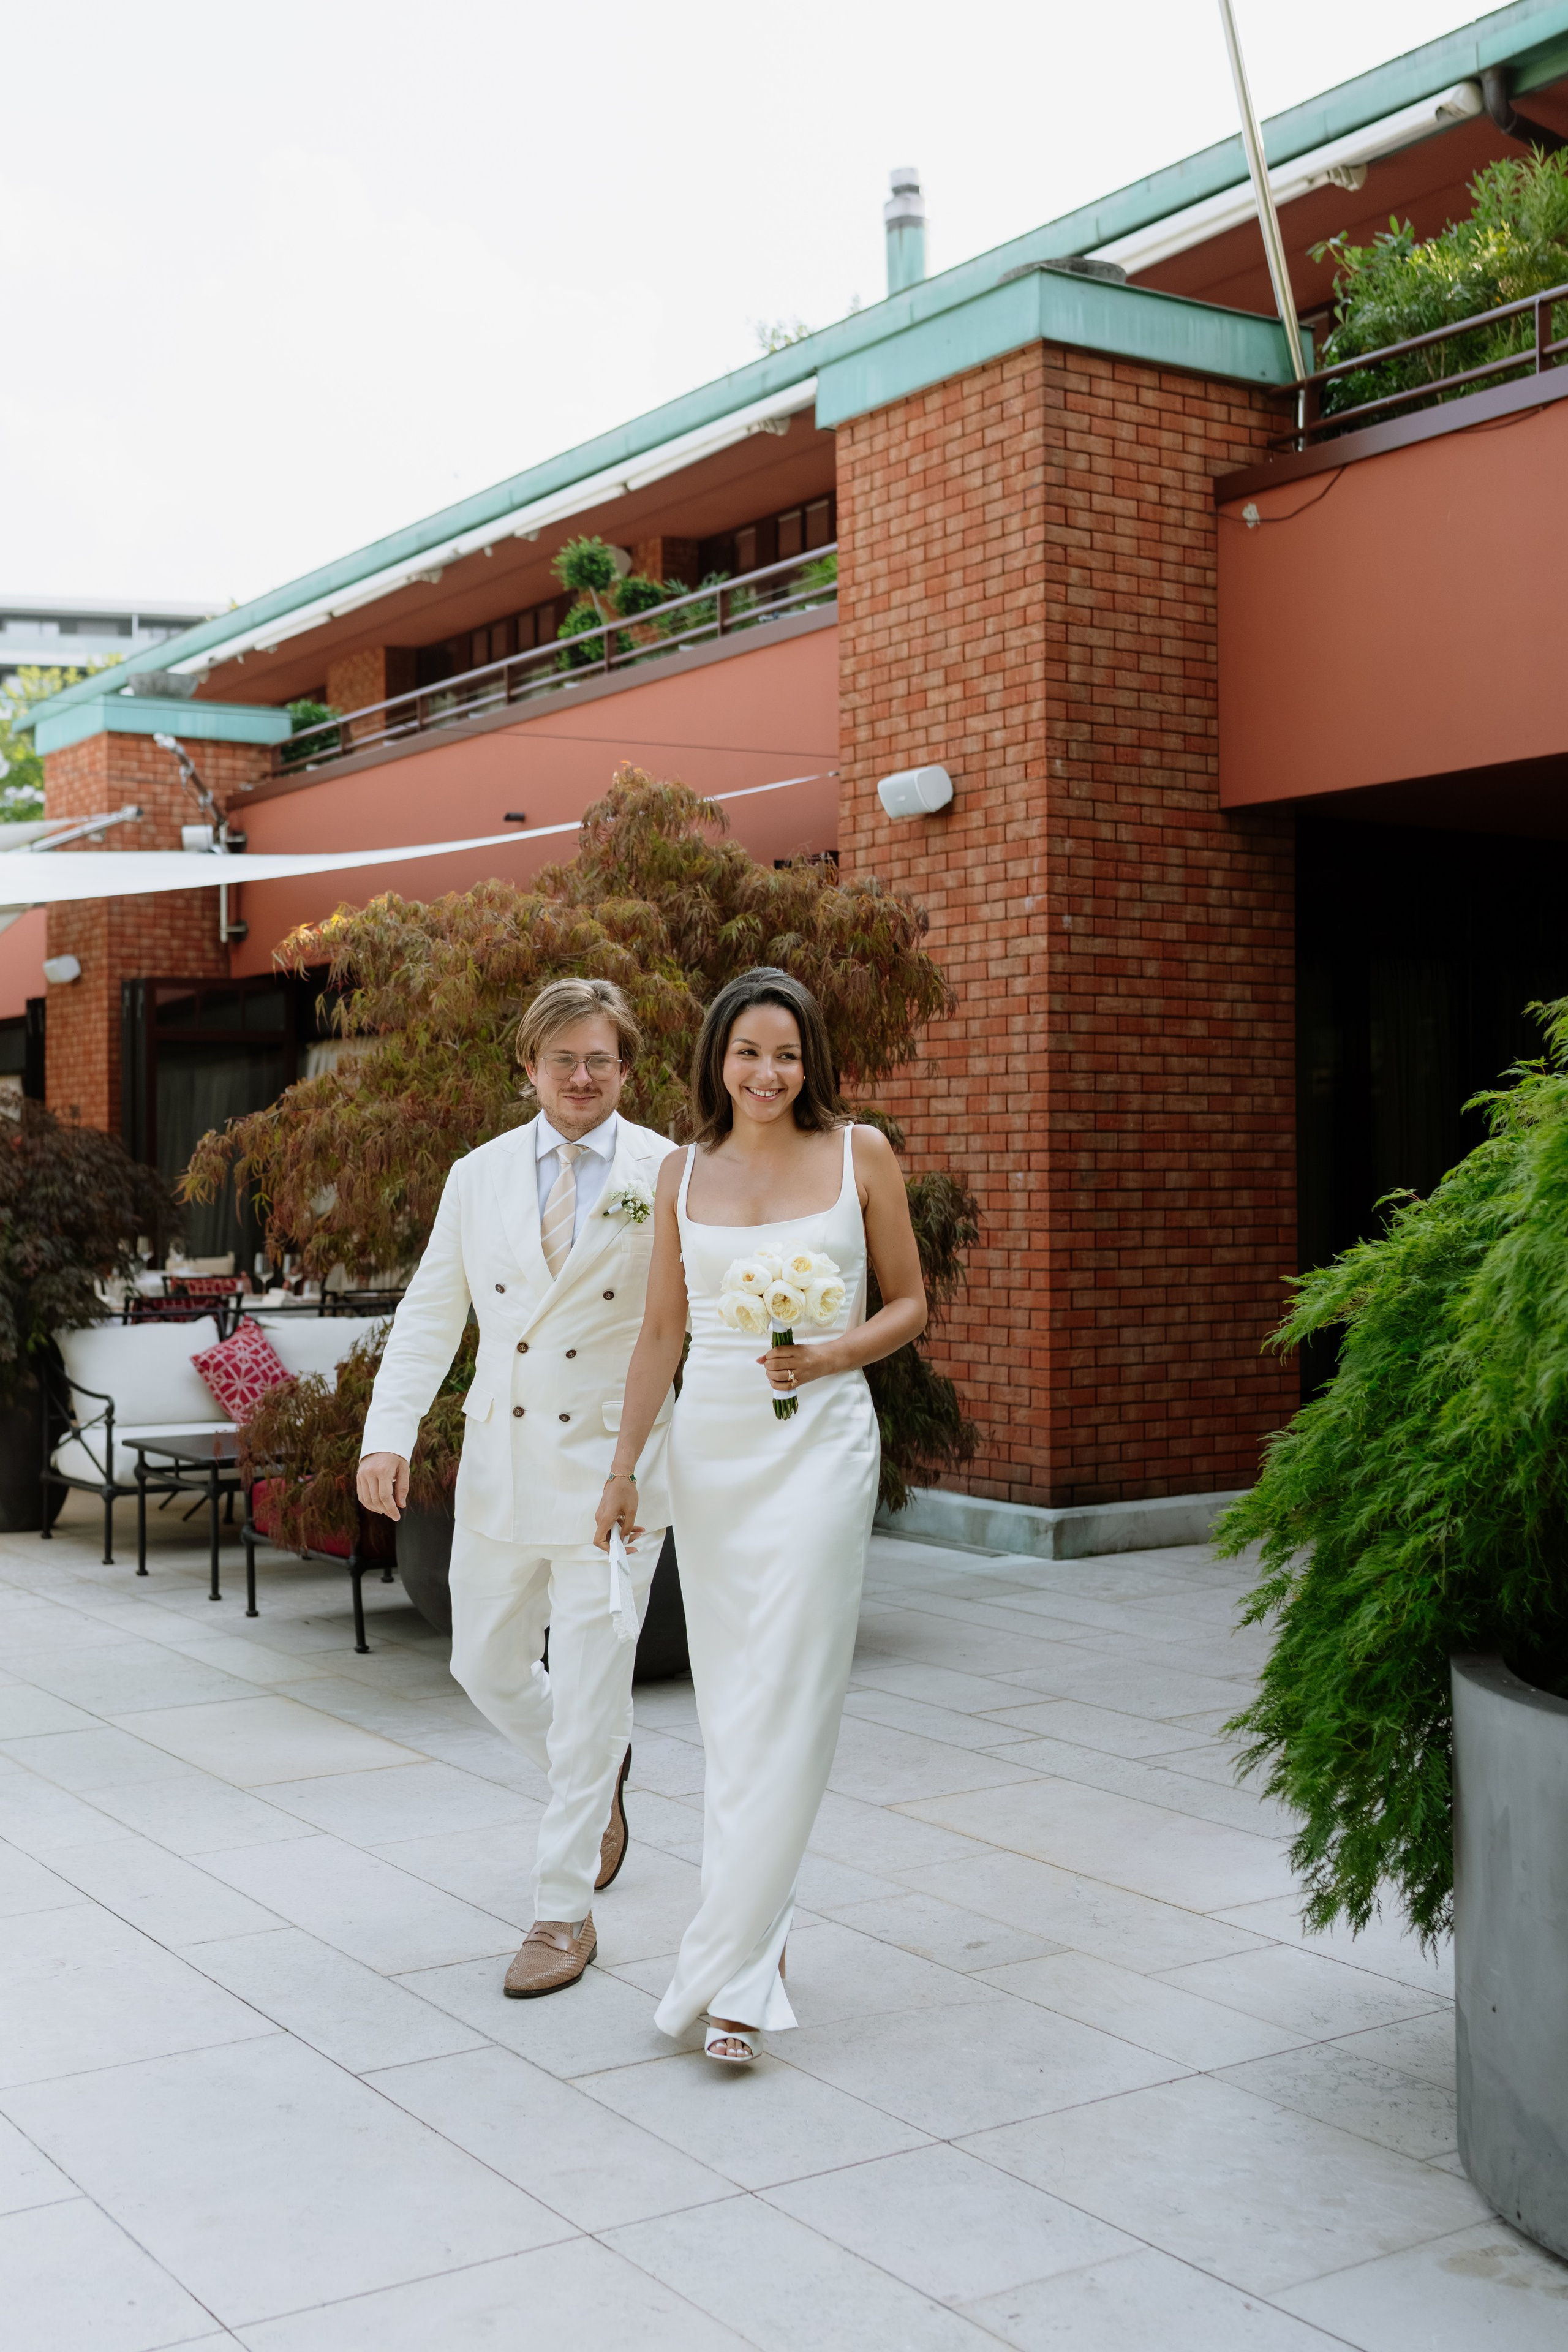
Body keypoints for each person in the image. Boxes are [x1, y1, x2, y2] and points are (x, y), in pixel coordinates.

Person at [594, 966, 927, 2063]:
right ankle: (760, 1945)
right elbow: (659, 1338)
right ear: (717, 1061)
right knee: (735, 1708)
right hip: (719, 1451)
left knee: (794, 1695)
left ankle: (734, 1980)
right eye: (749, 1053)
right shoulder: (682, 1174)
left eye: (786, 1053)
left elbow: (911, 1304)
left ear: (811, 1059)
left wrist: (829, 1352)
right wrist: (623, 1468)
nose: (768, 1073)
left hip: (824, 1447)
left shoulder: (859, 1154)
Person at [358, 976, 677, 1998]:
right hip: (503, 1466)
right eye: (562, 1060)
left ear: (625, 1070)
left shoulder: (668, 1171)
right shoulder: (479, 1175)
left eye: (600, 1060)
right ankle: (597, 1784)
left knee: (591, 1698)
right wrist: (387, 1432)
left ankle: (560, 1913)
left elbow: (689, 1326)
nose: (581, 1078)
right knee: (484, 1667)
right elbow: (429, 1312)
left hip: (614, 1477)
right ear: (529, 1068)